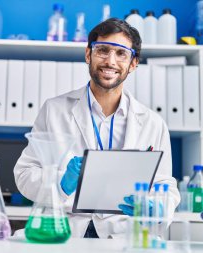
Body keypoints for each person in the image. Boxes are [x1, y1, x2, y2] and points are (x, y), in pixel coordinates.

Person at [14, 18, 180, 238]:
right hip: (65, 227)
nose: (110, 61)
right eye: (102, 50)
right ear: (88, 55)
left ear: (133, 63)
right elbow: (25, 173)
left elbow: (164, 184)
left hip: (123, 231)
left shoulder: (153, 123)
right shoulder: (54, 110)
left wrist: (158, 208)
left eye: (121, 54)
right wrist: (61, 182)